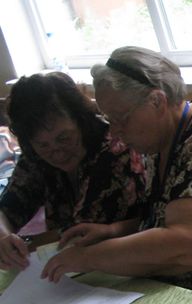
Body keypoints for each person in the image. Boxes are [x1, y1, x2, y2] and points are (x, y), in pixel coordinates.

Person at [41, 46, 192, 293]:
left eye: (120, 118)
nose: (114, 131)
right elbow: (170, 214)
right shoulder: (161, 138)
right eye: (108, 120)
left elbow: (188, 245)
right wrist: (114, 231)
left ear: (157, 101)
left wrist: (88, 257)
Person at [0, 71, 146, 271]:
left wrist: (24, 243)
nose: (57, 152)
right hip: (74, 270)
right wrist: (4, 237)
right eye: (43, 145)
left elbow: (76, 235)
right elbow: (9, 207)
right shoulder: (35, 156)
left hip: (127, 264)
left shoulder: (115, 152)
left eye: (64, 138)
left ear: (81, 121)